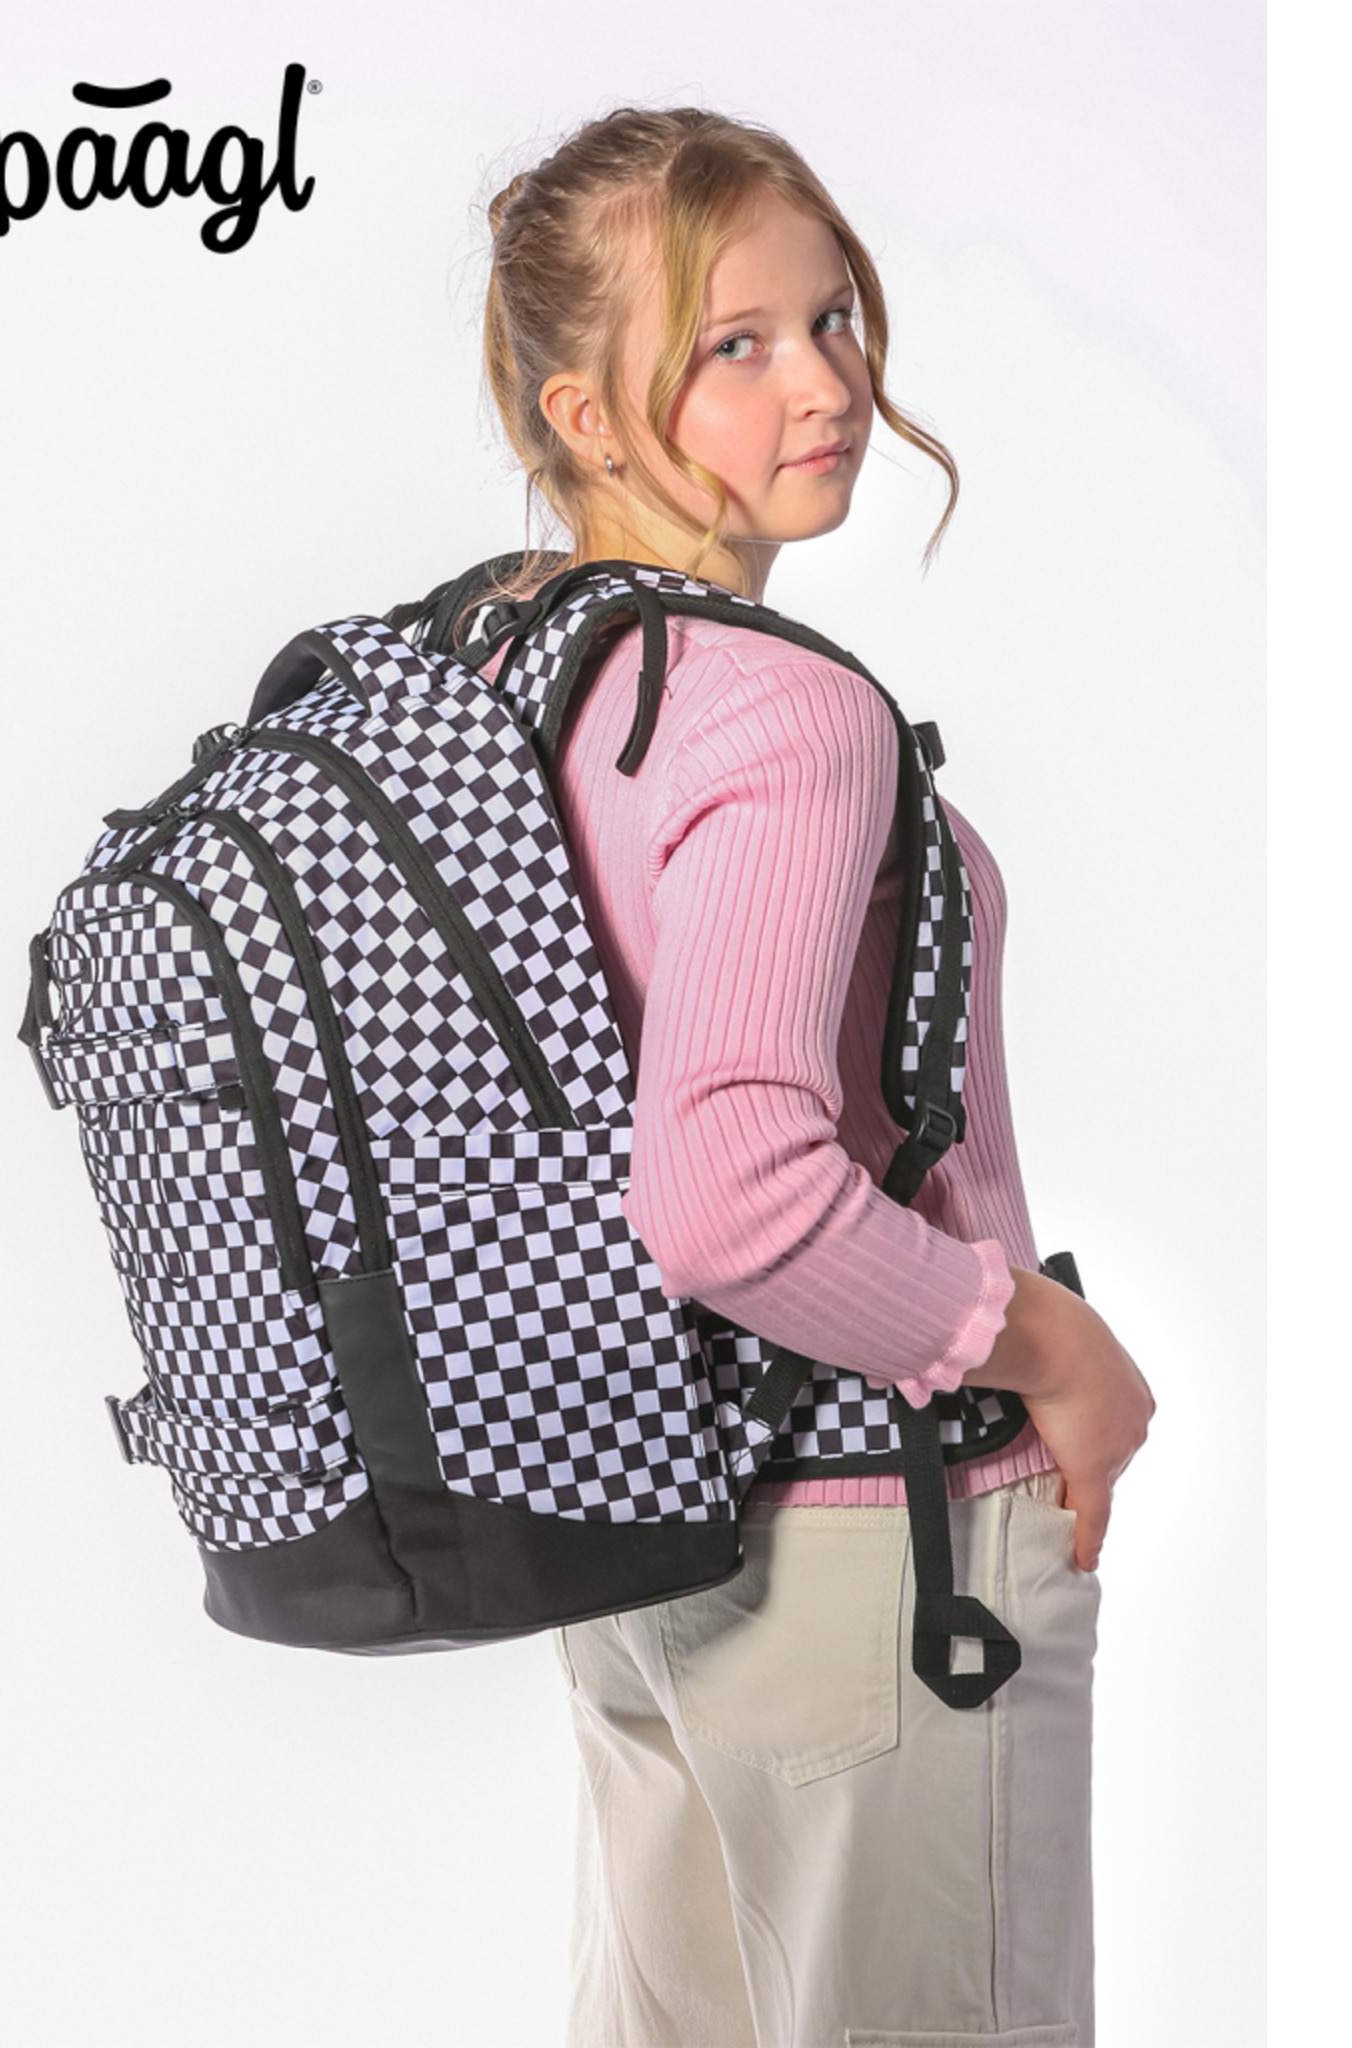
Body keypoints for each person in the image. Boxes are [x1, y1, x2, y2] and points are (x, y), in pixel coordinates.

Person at [472, 107, 1154, 2047]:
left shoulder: (521, 677)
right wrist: (1047, 1346)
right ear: (586, 418)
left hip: (641, 1533)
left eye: (834, 316)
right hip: (883, 1547)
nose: (829, 383)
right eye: (736, 344)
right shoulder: (779, 710)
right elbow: (723, 1191)